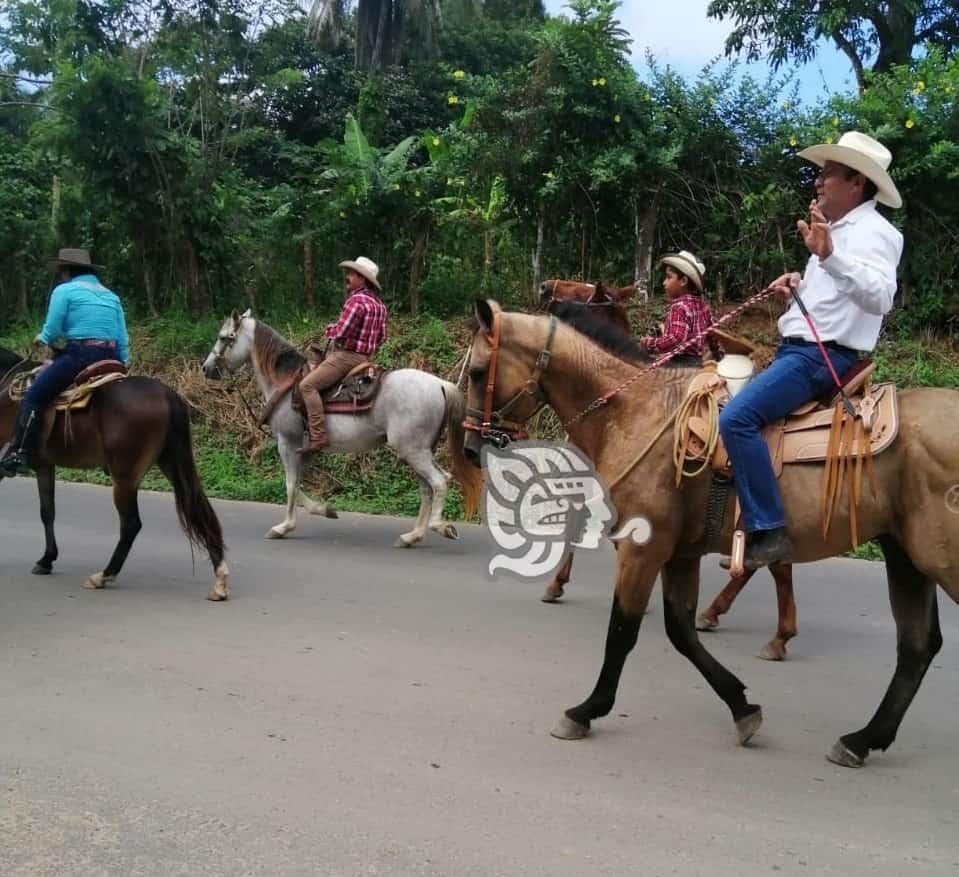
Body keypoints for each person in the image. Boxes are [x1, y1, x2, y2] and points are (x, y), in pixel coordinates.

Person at [718, 131, 904, 570]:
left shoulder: (877, 233)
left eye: (828, 174)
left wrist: (832, 257)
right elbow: (833, 299)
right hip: (799, 352)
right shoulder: (832, 231)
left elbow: (880, 298)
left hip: (820, 359)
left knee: (736, 418)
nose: (818, 183)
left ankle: (768, 529)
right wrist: (800, 285)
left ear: (856, 183)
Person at [0, 248, 129, 477]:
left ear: (67, 270)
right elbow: (122, 337)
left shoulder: (65, 290)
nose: (60, 275)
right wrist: (123, 362)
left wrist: (42, 338)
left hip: (81, 355)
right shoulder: (111, 296)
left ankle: (20, 452)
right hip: (112, 358)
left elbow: (53, 329)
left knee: (34, 395)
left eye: (61, 270)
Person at [298, 256, 388, 454]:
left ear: (362, 279)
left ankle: (318, 435)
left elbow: (341, 332)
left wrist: (330, 330)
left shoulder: (355, 301)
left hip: (346, 357)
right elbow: (382, 337)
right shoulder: (380, 305)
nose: (348, 277)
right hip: (366, 358)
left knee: (307, 385)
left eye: (352, 274)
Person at [639, 250, 723, 364]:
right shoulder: (703, 306)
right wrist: (719, 357)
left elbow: (676, 339)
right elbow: (713, 336)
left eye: (669, 277)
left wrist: (649, 343)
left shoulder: (679, 307)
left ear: (683, 281)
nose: (664, 283)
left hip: (677, 365)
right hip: (696, 364)